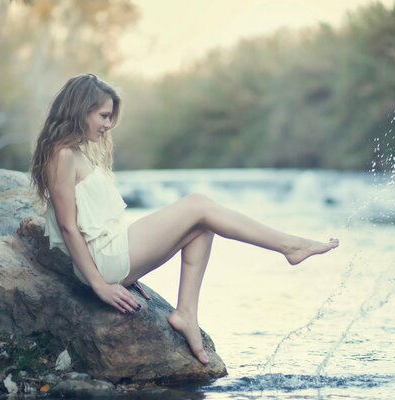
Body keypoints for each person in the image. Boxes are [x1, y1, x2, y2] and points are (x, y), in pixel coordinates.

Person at [30, 73, 339, 365]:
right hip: (104, 262)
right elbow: (69, 226)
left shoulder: (75, 152)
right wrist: (100, 285)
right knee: (199, 206)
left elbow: (88, 221)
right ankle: (289, 246)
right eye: (103, 116)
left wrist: (130, 268)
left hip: (111, 253)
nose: (108, 125)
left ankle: (187, 314)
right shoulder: (63, 155)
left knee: (202, 224)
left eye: (110, 117)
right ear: (81, 111)